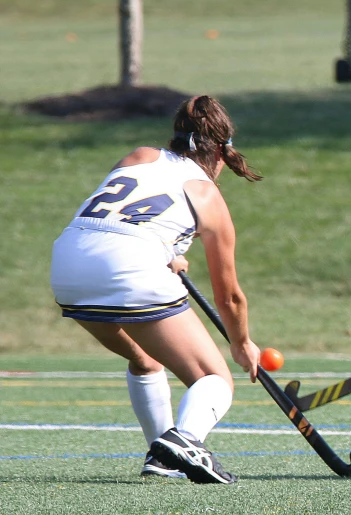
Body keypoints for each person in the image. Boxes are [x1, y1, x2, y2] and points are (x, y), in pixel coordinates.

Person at [50, 95, 262, 484]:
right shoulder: (207, 194)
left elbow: (126, 215)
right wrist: (241, 342)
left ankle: (162, 458)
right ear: (220, 148)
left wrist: (166, 251)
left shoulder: (140, 155)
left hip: (68, 263)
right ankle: (187, 439)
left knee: (146, 359)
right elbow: (228, 296)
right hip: (129, 267)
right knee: (214, 379)